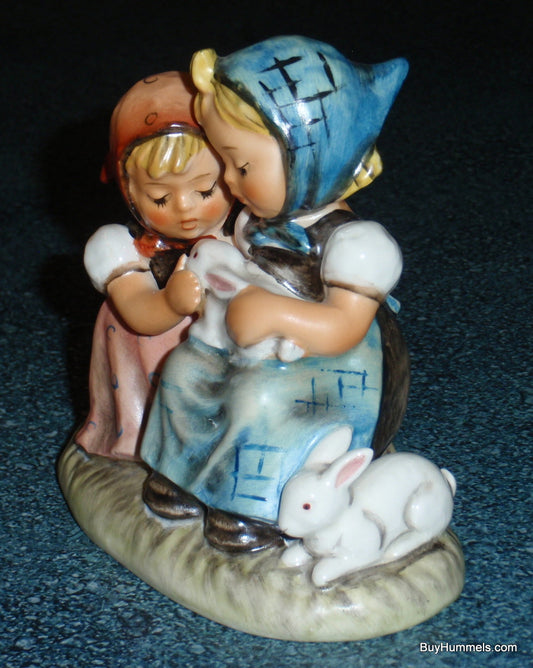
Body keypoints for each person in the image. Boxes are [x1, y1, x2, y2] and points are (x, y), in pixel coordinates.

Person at [140, 38, 410, 550]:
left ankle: (252, 507)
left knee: (258, 398)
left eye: (241, 167)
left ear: (311, 161)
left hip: (336, 372)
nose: (228, 180)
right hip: (253, 344)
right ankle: (183, 475)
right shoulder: (256, 219)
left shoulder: (359, 246)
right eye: (225, 162)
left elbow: (342, 328)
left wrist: (274, 313)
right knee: (185, 370)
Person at [76, 71, 234, 459]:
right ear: (129, 192)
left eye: (205, 190)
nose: (185, 208)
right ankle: (149, 443)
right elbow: (137, 312)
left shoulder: (244, 233)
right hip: (152, 350)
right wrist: (170, 304)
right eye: (160, 198)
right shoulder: (121, 247)